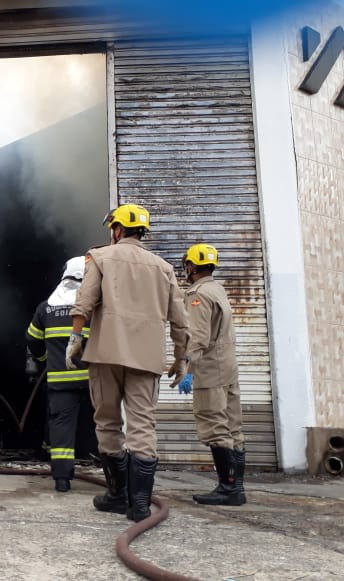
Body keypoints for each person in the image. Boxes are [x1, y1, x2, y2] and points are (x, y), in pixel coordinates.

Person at [66, 203, 190, 522]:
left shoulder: (101, 257)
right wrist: (181, 358)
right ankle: (139, 505)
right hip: (146, 359)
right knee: (142, 426)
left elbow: (86, 300)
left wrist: (76, 338)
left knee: (107, 423)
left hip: (106, 354)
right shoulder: (163, 267)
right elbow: (180, 320)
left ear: (117, 230)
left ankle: (117, 495)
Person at [179, 243, 246, 506]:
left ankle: (228, 488)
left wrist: (187, 369)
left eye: (187, 264)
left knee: (215, 426)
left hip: (210, 371)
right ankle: (236, 488)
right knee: (233, 427)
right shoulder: (217, 289)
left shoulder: (198, 294)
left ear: (192, 266)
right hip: (228, 368)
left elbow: (198, 338)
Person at [26, 256, 97, 492]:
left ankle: (62, 480)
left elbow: (32, 340)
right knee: (105, 425)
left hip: (60, 381)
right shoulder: (94, 306)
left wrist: (45, 360)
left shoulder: (46, 308)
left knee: (61, 429)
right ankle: (114, 476)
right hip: (93, 380)